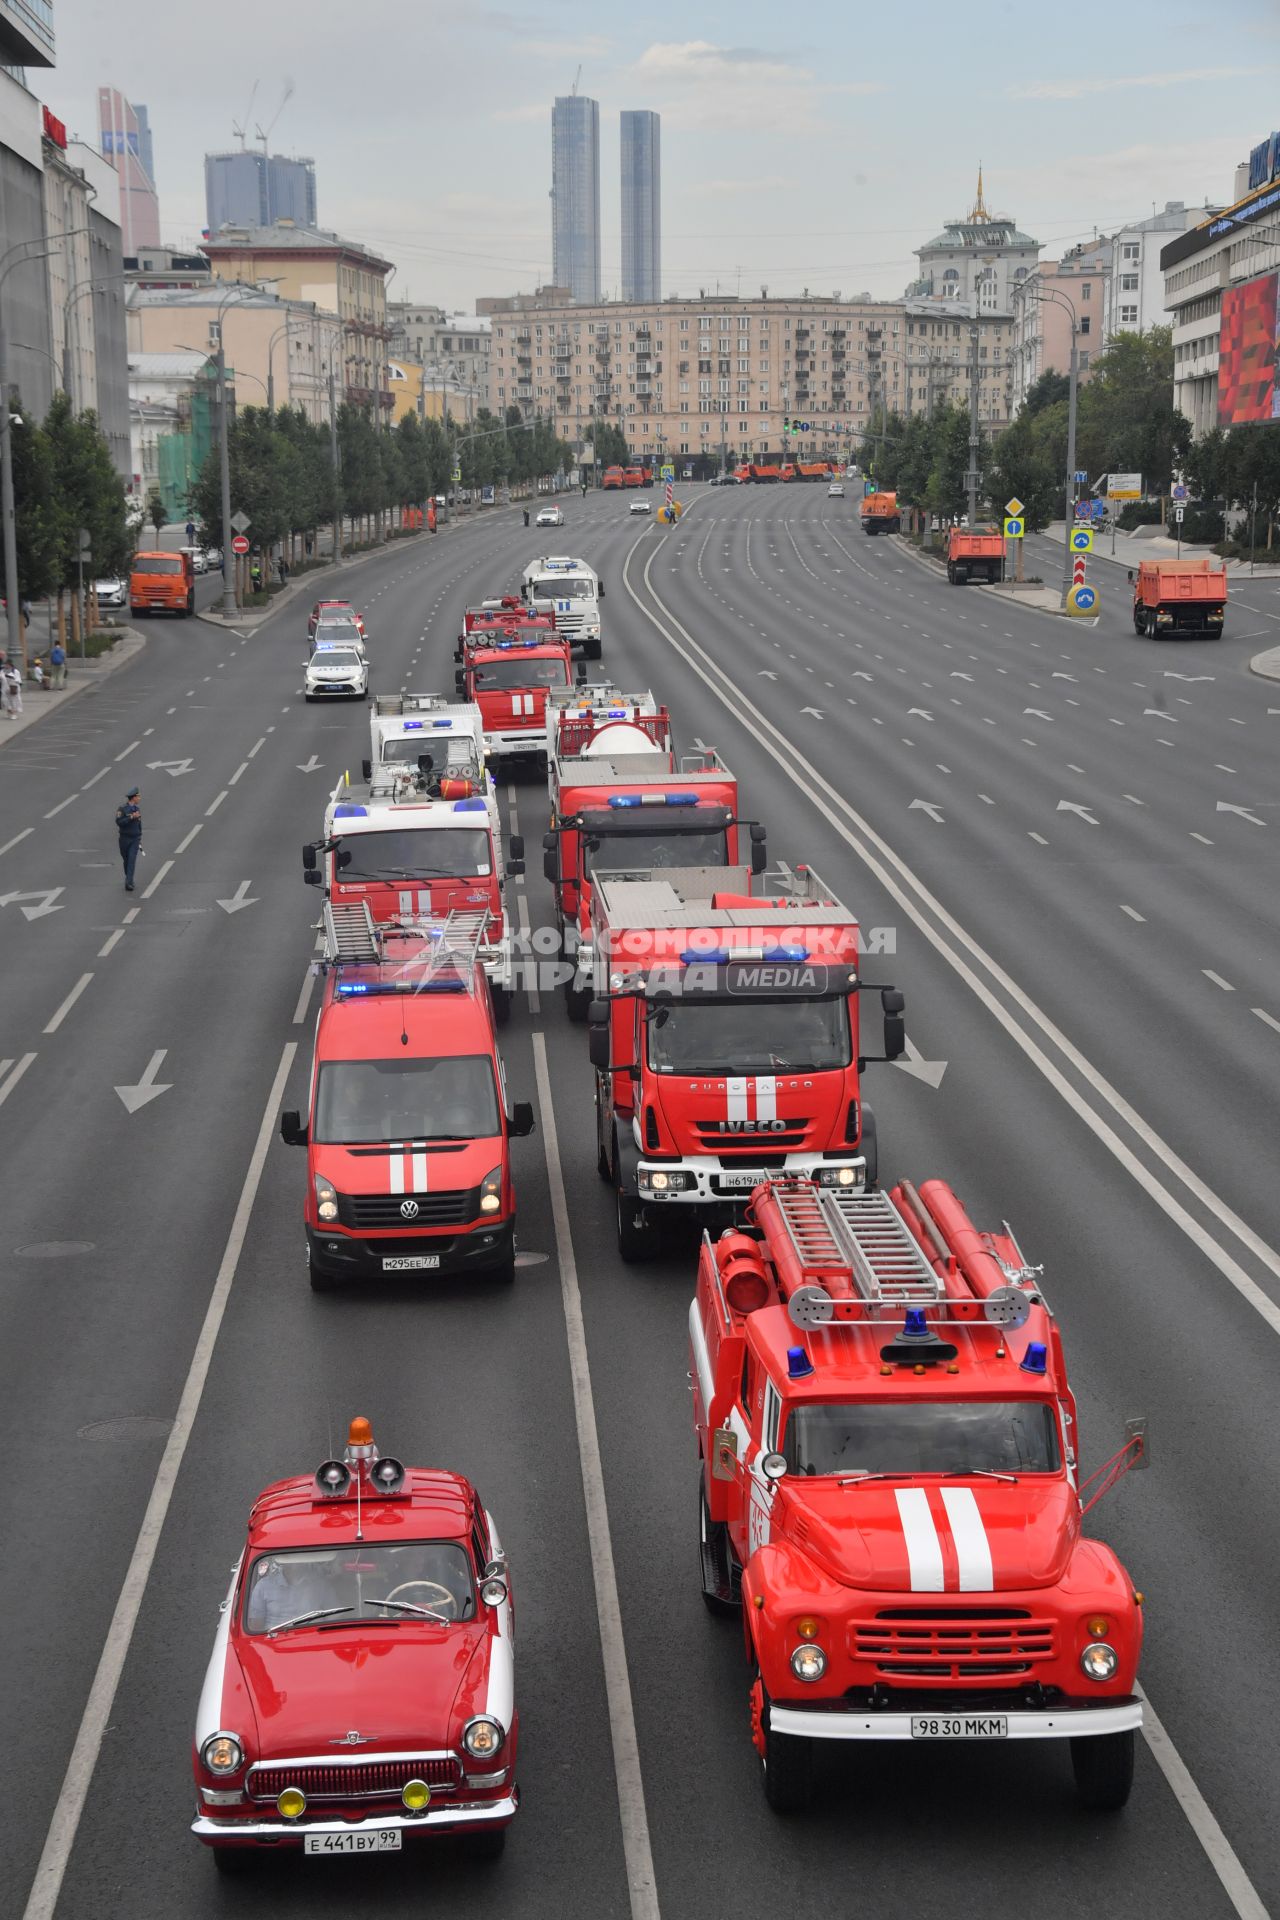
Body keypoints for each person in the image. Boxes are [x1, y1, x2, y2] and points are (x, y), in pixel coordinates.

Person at [116, 786, 142, 890]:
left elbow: (139, 823)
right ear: (133, 798)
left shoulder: (137, 809)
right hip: (124, 838)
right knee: (126, 860)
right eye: (138, 796)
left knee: (131, 860)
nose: (139, 798)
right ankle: (129, 878)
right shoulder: (122, 809)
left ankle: (129, 883)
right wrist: (131, 817)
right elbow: (119, 822)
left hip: (135, 839)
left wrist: (140, 835)